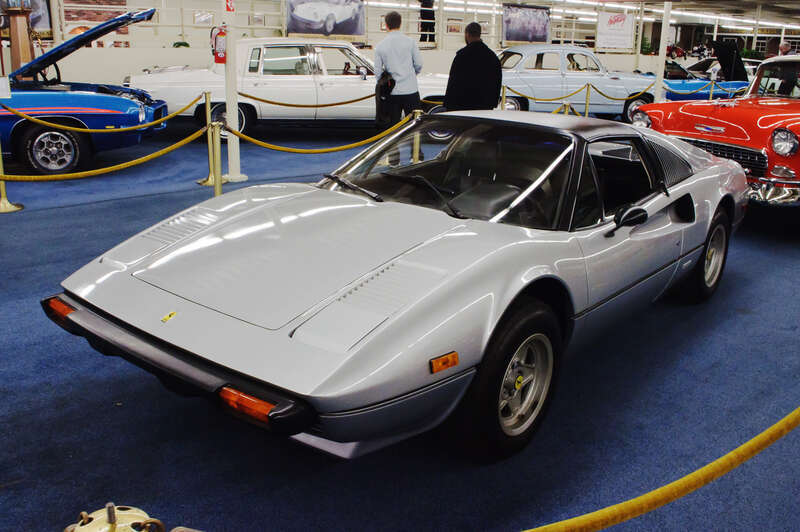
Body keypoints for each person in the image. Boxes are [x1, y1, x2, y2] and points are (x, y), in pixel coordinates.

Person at [374, 11, 423, 126]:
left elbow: (378, 72)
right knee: (414, 128)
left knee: (392, 129)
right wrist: (411, 75)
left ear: (386, 25)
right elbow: (419, 64)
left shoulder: (380, 46)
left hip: (392, 92)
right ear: (400, 24)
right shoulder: (410, 42)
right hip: (411, 90)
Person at [444, 22, 502, 111]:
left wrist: (448, 105)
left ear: (467, 34)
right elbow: (497, 81)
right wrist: (493, 103)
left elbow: (453, 82)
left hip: (463, 105)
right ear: (479, 34)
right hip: (484, 106)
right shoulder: (492, 57)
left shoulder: (461, 55)